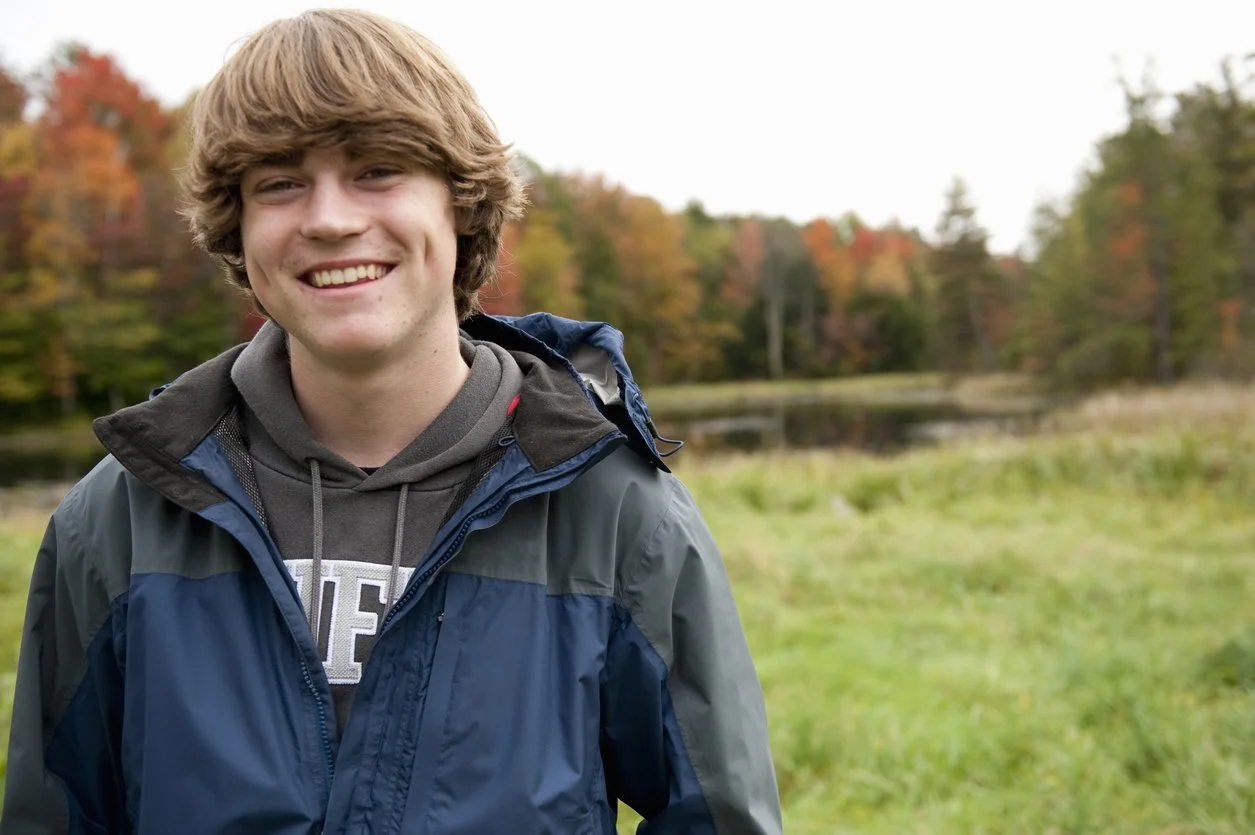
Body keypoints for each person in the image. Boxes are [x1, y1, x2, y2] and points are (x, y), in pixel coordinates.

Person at [1, 9, 781, 834]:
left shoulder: (619, 515)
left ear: (463, 206)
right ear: (238, 227)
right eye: (278, 181)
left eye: (377, 170)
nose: (329, 218)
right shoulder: (118, 518)